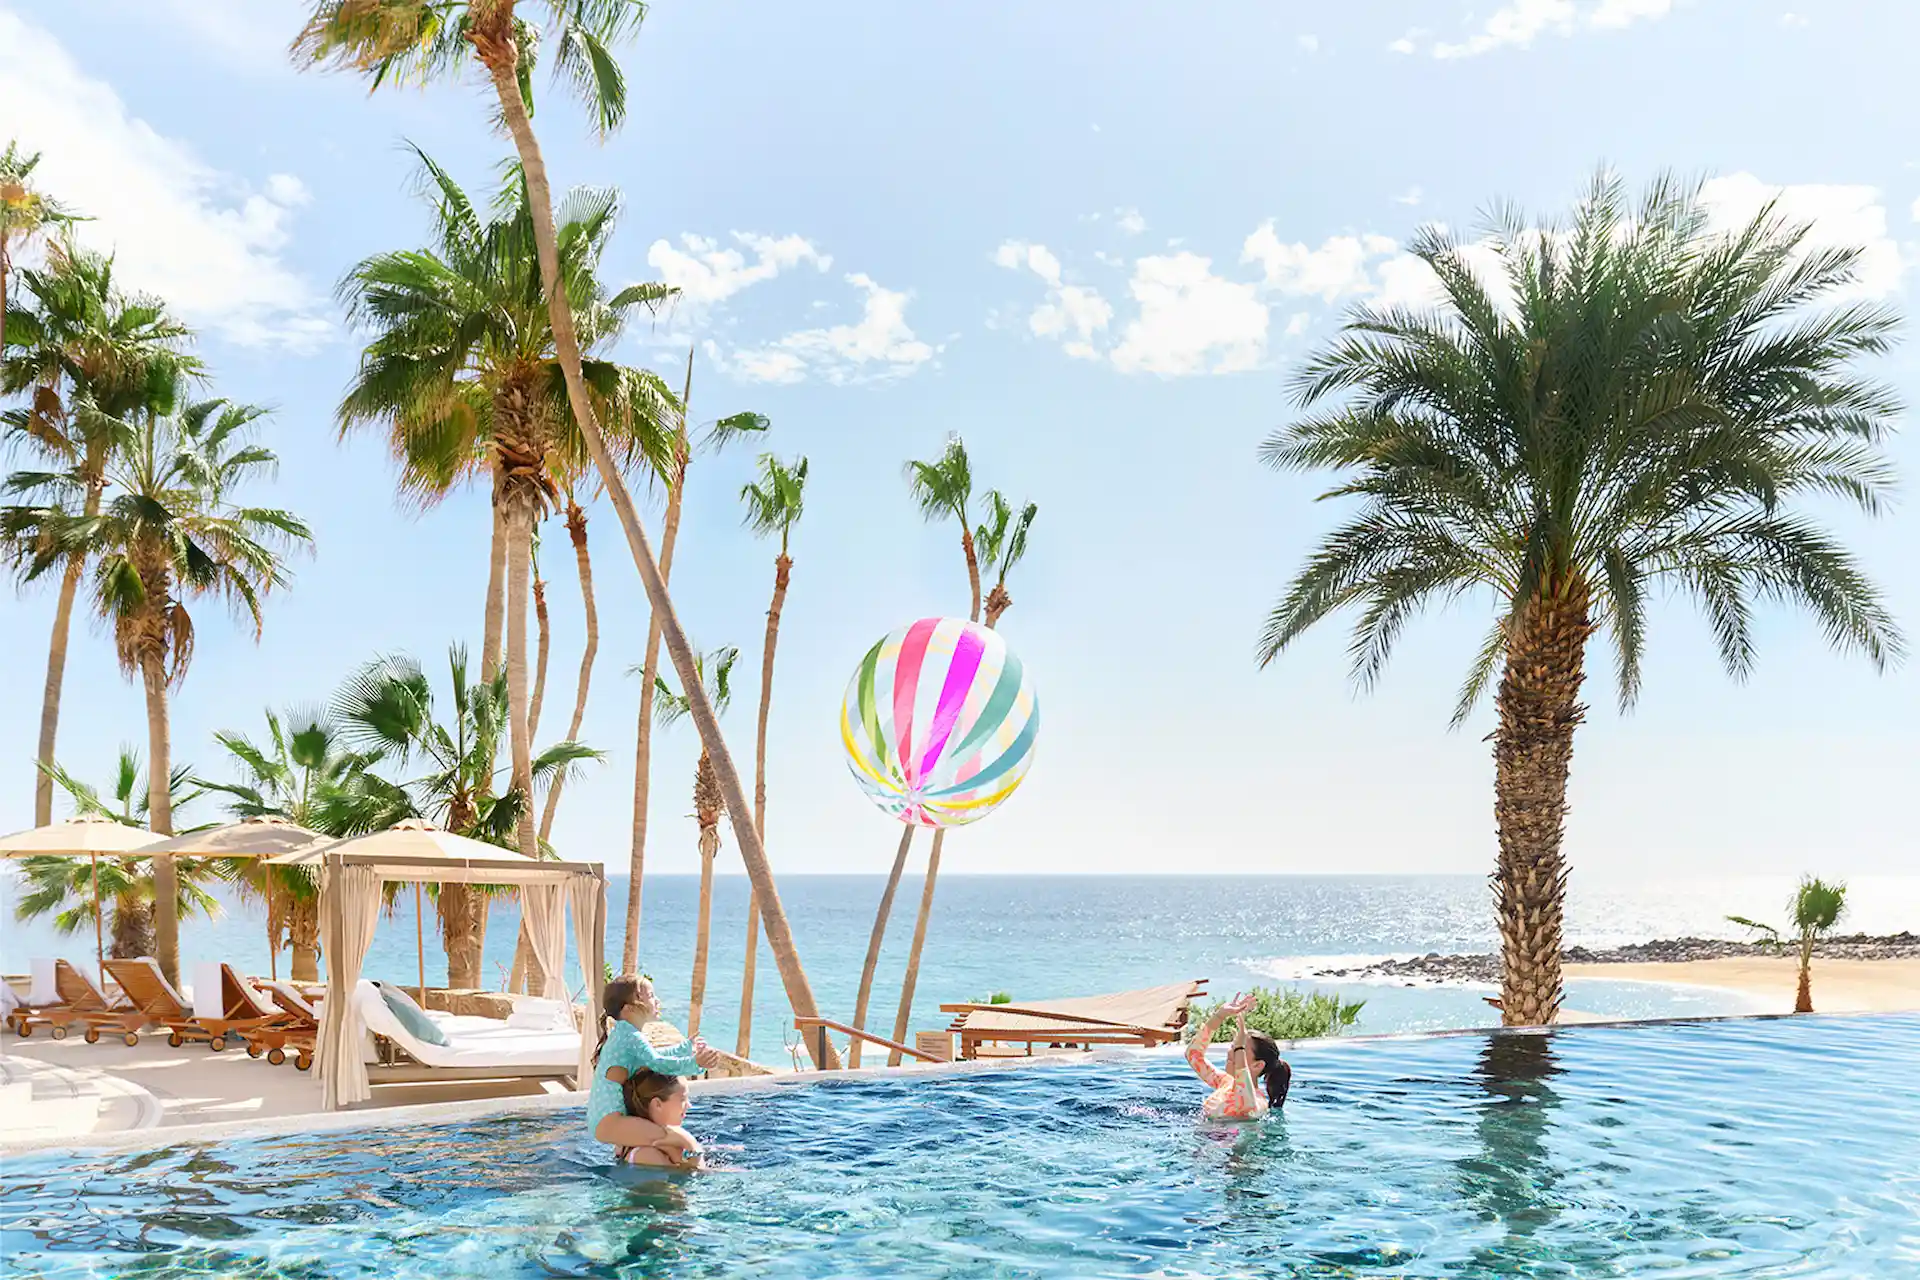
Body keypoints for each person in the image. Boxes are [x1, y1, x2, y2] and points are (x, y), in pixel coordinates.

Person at [589, 974, 720, 1148]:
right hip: (610, 1120)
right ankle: (706, 1172)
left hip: (606, 1118)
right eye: (650, 996)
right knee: (679, 1143)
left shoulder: (624, 1033)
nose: (657, 1001)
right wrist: (695, 1064)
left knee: (671, 1143)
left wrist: (685, 1048)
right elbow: (657, 1063)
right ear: (629, 1009)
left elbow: (655, 1055)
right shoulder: (629, 1035)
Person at [1184, 991, 1291, 1120]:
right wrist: (1219, 1016)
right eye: (1233, 1047)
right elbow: (1193, 1055)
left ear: (1257, 1065)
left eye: (1239, 1049)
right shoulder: (1225, 1082)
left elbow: (1244, 1096)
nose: (1230, 1053)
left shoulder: (1257, 1102)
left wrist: (1239, 1047)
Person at [616, 1070, 703, 1170]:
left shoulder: (632, 1139)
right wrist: (691, 1145)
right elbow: (695, 1180)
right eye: (683, 1099)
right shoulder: (647, 1155)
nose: (689, 1105)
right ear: (657, 1104)